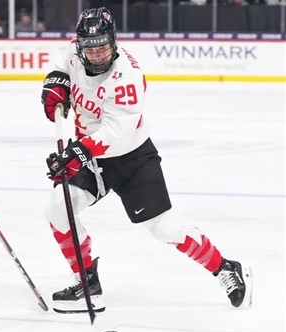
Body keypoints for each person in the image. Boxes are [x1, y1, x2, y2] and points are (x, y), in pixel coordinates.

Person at [41, 7, 252, 313]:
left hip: (131, 157)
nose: (98, 55)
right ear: (80, 45)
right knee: (58, 207)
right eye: (91, 49)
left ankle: (225, 268)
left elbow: (119, 132)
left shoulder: (126, 76)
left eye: (103, 48)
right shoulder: (75, 52)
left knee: (163, 227)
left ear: (113, 43)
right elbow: (64, 62)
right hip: (92, 157)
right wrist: (57, 81)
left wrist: (77, 152)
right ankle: (87, 283)